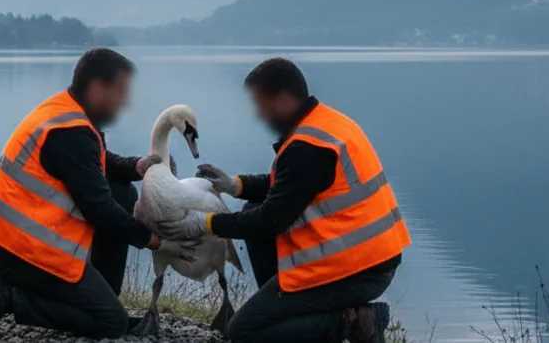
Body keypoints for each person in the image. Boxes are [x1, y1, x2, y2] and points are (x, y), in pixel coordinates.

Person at [159, 58, 410, 343]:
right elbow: (290, 186)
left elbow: (270, 219)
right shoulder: (326, 124)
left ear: (281, 99)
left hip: (357, 271)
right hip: (370, 257)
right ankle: (289, 313)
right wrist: (235, 185)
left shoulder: (307, 147)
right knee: (252, 208)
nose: (258, 115)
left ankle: (353, 323)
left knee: (245, 331)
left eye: (260, 105)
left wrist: (205, 223)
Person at [0, 48, 197, 338]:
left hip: (14, 235)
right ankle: (3, 295)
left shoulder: (69, 112)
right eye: (121, 92)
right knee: (111, 324)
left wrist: (138, 166)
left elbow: (97, 163)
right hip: (16, 247)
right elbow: (100, 210)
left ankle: (100, 297)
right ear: (97, 88)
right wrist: (154, 240)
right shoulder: (71, 133)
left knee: (122, 192)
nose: (125, 102)